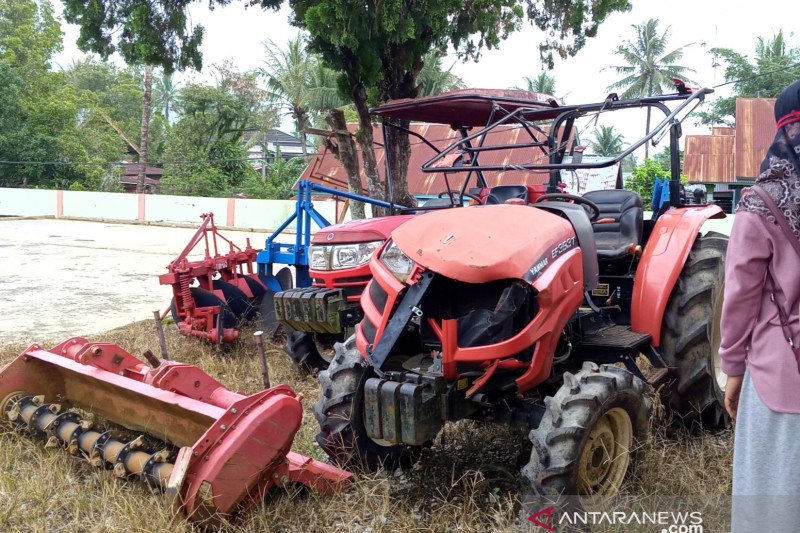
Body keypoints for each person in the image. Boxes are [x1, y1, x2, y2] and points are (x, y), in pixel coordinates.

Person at [720, 78, 800, 532]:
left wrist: (733, 369)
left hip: (780, 375)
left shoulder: (759, 204)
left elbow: (740, 298)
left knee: (772, 503)